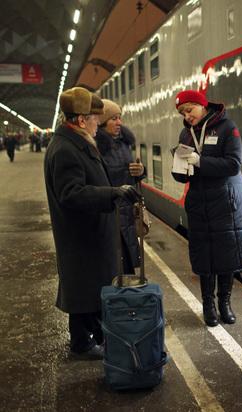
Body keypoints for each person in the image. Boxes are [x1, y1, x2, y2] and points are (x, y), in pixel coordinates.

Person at [44, 87, 141, 360]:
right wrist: (112, 194)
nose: (99, 122)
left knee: (85, 288)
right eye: (95, 118)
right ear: (80, 120)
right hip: (82, 233)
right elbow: (71, 192)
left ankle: (82, 341)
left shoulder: (75, 141)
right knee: (89, 287)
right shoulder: (66, 148)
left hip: (89, 229)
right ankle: (91, 341)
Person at [172, 90, 242, 327]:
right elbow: (183, 174)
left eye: (189, 110)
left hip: (225, 202)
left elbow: (234, 164)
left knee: (226, 255)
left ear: (202, 106)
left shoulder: (226, 127)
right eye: (183, 113)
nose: (187, 116)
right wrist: (179, 169)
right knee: (204, 256)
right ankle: (208, 305)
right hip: (200, 203)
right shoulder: (186, 133)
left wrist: (201, 161)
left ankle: (225, 304)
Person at [95, 99, 147, 272]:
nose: (119, 122)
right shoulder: (97, 147)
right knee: (114, 267)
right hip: (112, 212)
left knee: (127, 267)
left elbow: (130, 175)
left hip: (127, 211)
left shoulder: (123, 143)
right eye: (114, 119)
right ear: (102, 122)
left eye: (120, 117)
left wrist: (140, 171)